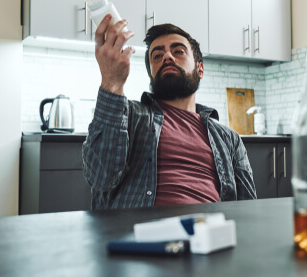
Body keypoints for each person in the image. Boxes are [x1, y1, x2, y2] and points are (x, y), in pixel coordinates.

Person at [82, 15, 257, 210]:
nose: (167, 57)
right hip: (141, 234)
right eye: (157, 56)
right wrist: (112, 83)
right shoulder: (127, 115)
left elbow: (247, 209)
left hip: (207, 234)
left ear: (200, 69)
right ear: (151, 74)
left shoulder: (228, 139)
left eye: (178, 51)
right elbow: (101, 177)